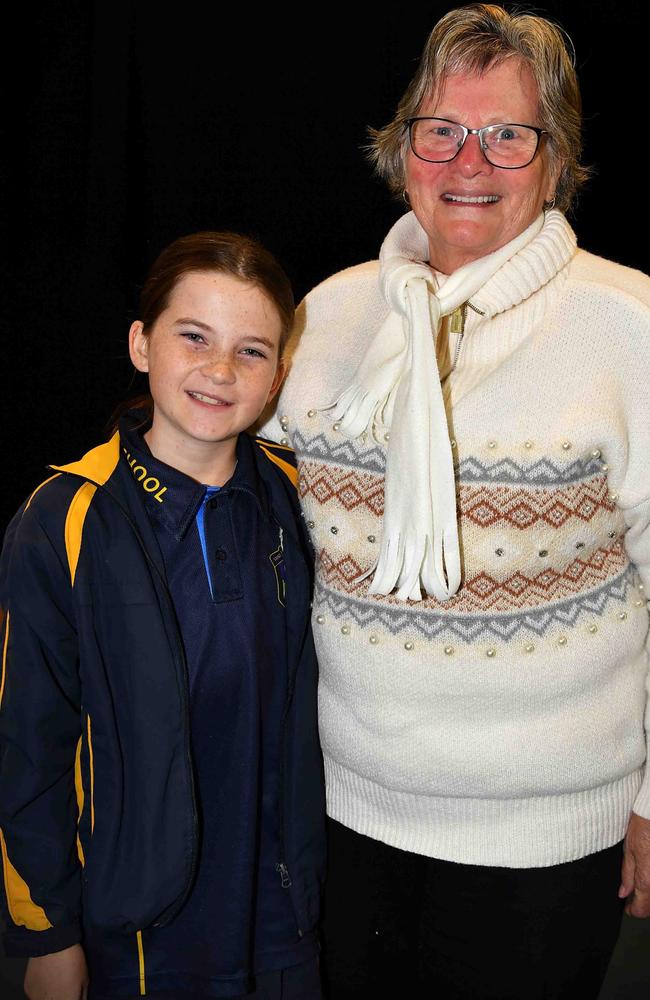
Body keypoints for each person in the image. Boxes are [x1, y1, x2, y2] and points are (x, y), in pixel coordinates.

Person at [260, 5, 650, 998]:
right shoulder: (327, 314)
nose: (467, 160)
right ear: (401, 153)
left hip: (544, 842)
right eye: (440, 130)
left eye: (506, 134)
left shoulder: (626, 325)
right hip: (342, 817)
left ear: (553, 159)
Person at [0, 231, 325, 1000]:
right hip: (139, 927)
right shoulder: (66, 518)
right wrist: (48, 933)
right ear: (142, 344)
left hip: (280, 913)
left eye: (251, 352)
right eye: (193, 338)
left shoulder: (297, 496)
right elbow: (26, 745)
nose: (219, 371)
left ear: (278, 378)